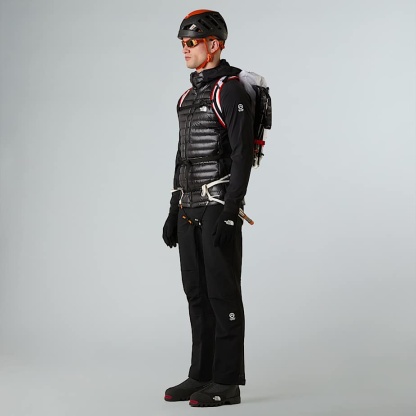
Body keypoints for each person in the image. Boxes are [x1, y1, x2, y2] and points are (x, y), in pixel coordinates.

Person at [162, 9, 254, 407]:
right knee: (196, 295)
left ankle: (227, 382)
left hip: (217, 205)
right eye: (182, 43)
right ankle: (201, 374)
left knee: (222, 294)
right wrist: (173, 206)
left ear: (214, 44)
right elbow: (182, 155)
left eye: (192, 42)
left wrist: (232, 210)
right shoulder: (186, 97)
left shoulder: (230, 91)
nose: (185, 49)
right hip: (188, 206)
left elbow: (242, 154)